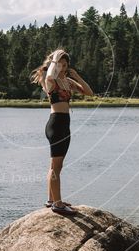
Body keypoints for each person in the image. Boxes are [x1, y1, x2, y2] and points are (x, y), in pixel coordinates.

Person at [30, 48, 95, 215]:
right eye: (60, 64)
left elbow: (89, 92)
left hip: (64, 125)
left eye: (65, 65)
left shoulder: (67, 82)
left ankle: (52, 200)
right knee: (56, 167)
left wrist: (77, 76)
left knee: (55, 167)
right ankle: (57, 204)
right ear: (53, 64)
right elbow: (51, 75)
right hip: (56, 124)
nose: (63, 67)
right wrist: (54, 61)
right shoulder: (49, 81)